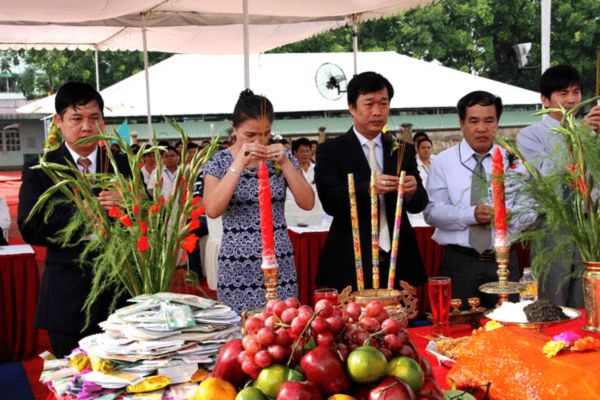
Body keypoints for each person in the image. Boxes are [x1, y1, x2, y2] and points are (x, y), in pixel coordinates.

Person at [18, 81, 131, 357]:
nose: (86, 127)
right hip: (67, 298)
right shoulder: (40, 169)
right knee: (73, 382)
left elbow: (148, 220)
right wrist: (84, 215)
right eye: (76, 118)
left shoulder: (122, 164)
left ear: (102, 121)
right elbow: (30, 226)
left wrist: (129, 206)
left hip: (120, 294)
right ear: (59, 121)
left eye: (94, 118)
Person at [197, 89, 314, 314]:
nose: (258, 141)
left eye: (265, 134)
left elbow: (307, 202)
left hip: (279, 260)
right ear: (234, 129)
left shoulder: (282, 158)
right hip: (236, 263)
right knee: (241, 333)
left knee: (282, 328)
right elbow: (212, 209)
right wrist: (239, 164)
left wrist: (287, 164)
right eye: (249, 135)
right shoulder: (219, 161)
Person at [314, 71, 428, 292]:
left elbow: (419, 203)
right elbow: (330, 200)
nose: (377, 111)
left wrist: (413, 190)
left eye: (383, 104)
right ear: (352, 107)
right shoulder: (331, 150)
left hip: (399, 256)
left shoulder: (402, 150)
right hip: (351, 257)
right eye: (369, 104)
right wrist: (367, 188)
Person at [424, 91, 525, 309]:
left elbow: (531, 208)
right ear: (461, 123)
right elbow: (432, 212)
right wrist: (469, 215)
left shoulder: (513, 160)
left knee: (508, 329)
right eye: (473, 121)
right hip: (460, 262)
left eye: (489, 120)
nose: (482, 128)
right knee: (458, 331)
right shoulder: (443, 162)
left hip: (505, 260)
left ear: (497, 122)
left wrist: (512, 216)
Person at [516, 65, 600, 307]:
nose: (572, 99)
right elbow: (548, 174)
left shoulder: (593, 131)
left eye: (576, 92)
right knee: (553, 299)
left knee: (587, 298)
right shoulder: (531, 135)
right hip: (553, 225)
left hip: (589, 225)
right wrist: (579, 135)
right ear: (545, 99)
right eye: (563, 93)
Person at [284, 138, 324, 227]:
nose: (305, 154)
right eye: (301, 151)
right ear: (295, 152)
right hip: (292, 216)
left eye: (307, 151)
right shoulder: (289, 171)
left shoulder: (318, 169)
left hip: (315, 216)